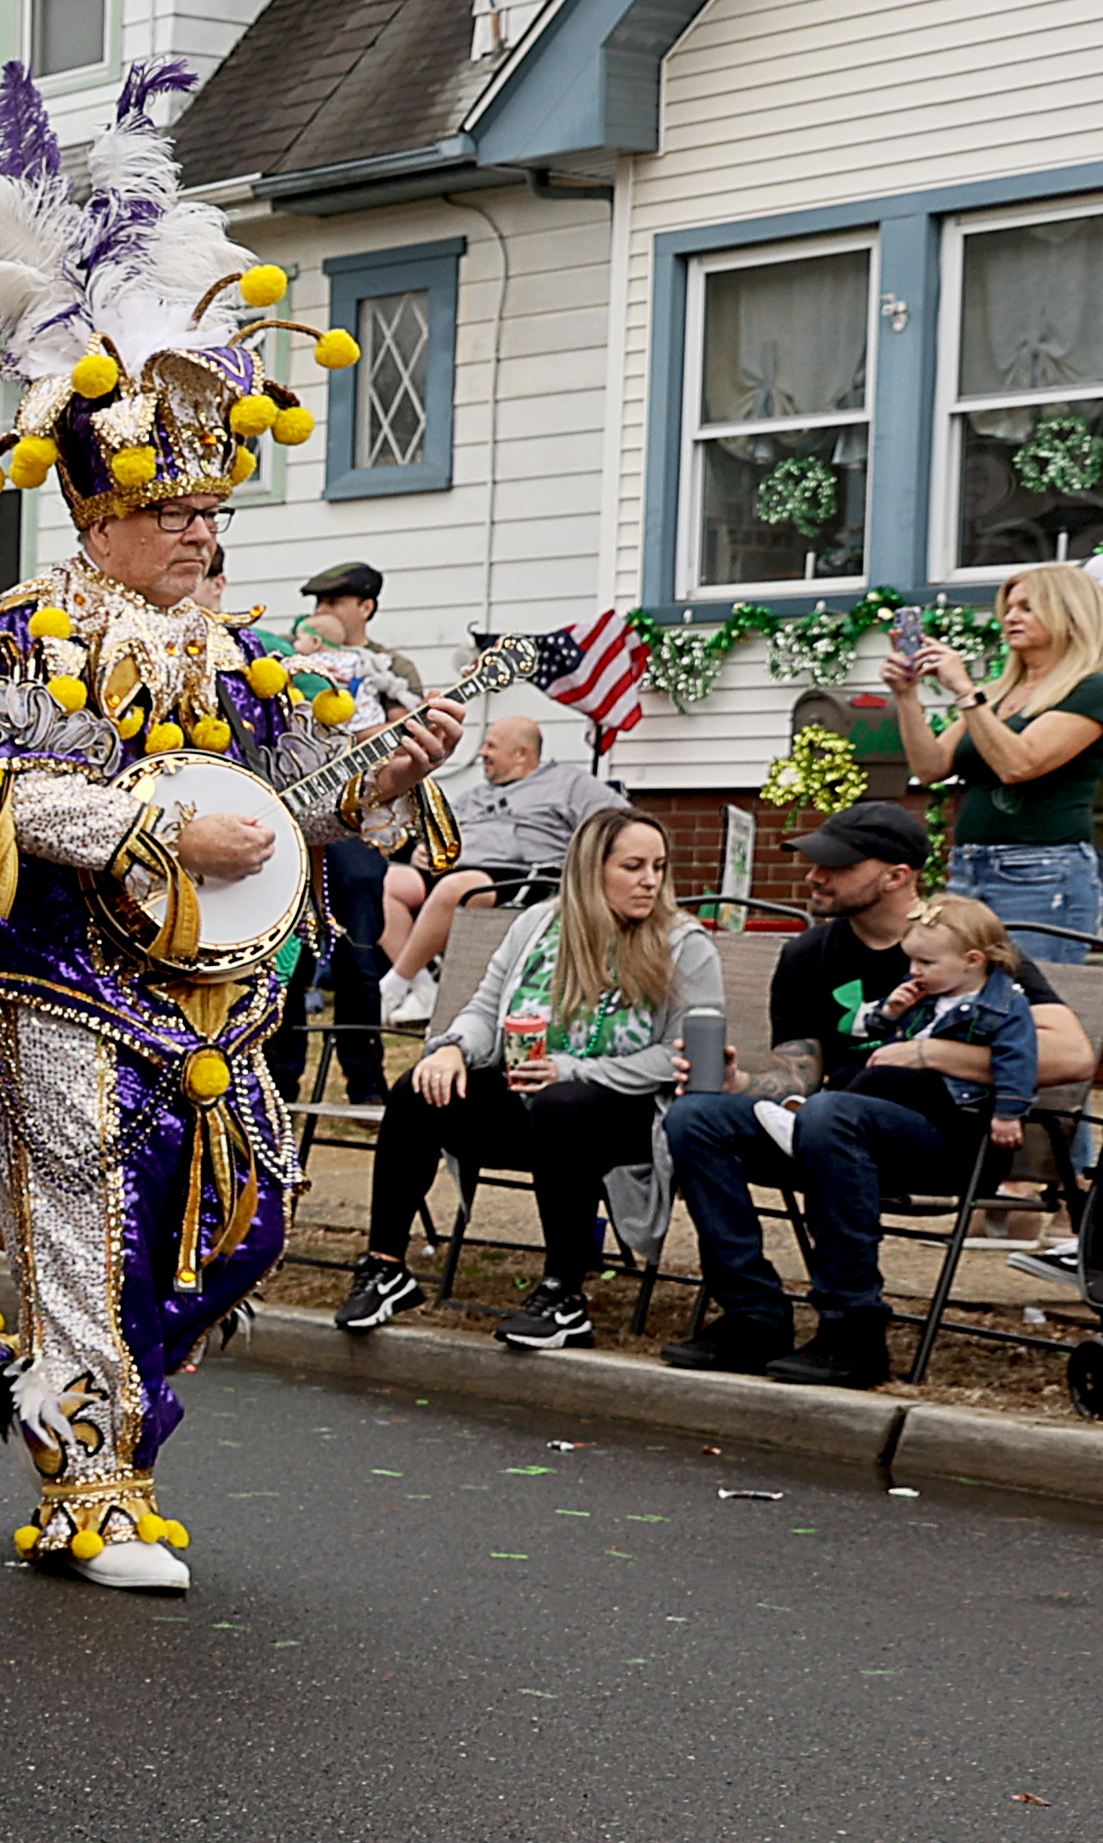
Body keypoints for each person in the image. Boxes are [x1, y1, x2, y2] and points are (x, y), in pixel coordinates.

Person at [0, 64, 460, 1590]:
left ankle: (101, 1414)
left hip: (213, 997)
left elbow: (295, 802)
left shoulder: (248, 648)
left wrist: (389, 771)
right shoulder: (21, 635)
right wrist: (141, 825)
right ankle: (90, 1479)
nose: (200, 528)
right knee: (83, 1214)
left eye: (213, 510)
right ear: (96, 511)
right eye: (169, 508)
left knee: (242, 1217)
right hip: (58, 978)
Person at [333, 808, 717, 1351]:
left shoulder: (682, 944)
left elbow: (679, 1059)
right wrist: (452, 1051)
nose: (650, 880)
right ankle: (385, 1267)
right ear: (591, 870)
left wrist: (577, 1070)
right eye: (633, 866)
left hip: (623, 1114)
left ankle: (564, 1295)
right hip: (532, 1103)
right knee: (418, 1088)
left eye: (658, 866)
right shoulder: (538, 926)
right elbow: (486, 1012)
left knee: (562, 1102)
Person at [662, 887, 1039, 1388]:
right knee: (696, 1116)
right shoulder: (813, 953)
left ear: (895, 874)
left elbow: (1062, 1056)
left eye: (839, 864)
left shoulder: (989, 967)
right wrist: (740, 1085)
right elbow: (801, 1069)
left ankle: (852, 1331)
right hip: (835, 1123)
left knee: (829, 1112)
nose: (816, 876)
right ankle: (753, 1315)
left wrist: (931, 1056)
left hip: (947, 1139)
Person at [889, 560, 1103, 967]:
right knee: (963, 991)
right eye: (1008, 607)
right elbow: (931, 766)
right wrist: (906, 695)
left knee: (1033, 996)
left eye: (1027, 607)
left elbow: (1019, 764)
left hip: (1042, 871)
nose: (1010, 617)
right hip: (971, 863)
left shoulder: (1091, 688)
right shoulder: (1001, 692)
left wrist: (965, 690)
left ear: (1069, 612)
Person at [279, 560, 414, 1099]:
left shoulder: (390, 665)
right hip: (301, 814)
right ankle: (283, 1077)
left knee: (359, 950)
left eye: (334, 604)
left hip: (357, 819)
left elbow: (412, 738)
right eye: (317, 604)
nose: (322, 614)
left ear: (365, 607)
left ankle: (365, 1078)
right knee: (292, 953)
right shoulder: (292, 656)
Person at [376, 708, 616, 1009]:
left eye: (490, 746)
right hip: (451, 867)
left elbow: (620, 822)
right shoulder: (475, 795)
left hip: (520, 875)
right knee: (385, 883)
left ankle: (394, 984)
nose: (481, 753)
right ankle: (423, 986)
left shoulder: (570, 784)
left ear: (521, 754)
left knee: (457, 886)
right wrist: (422, 850)